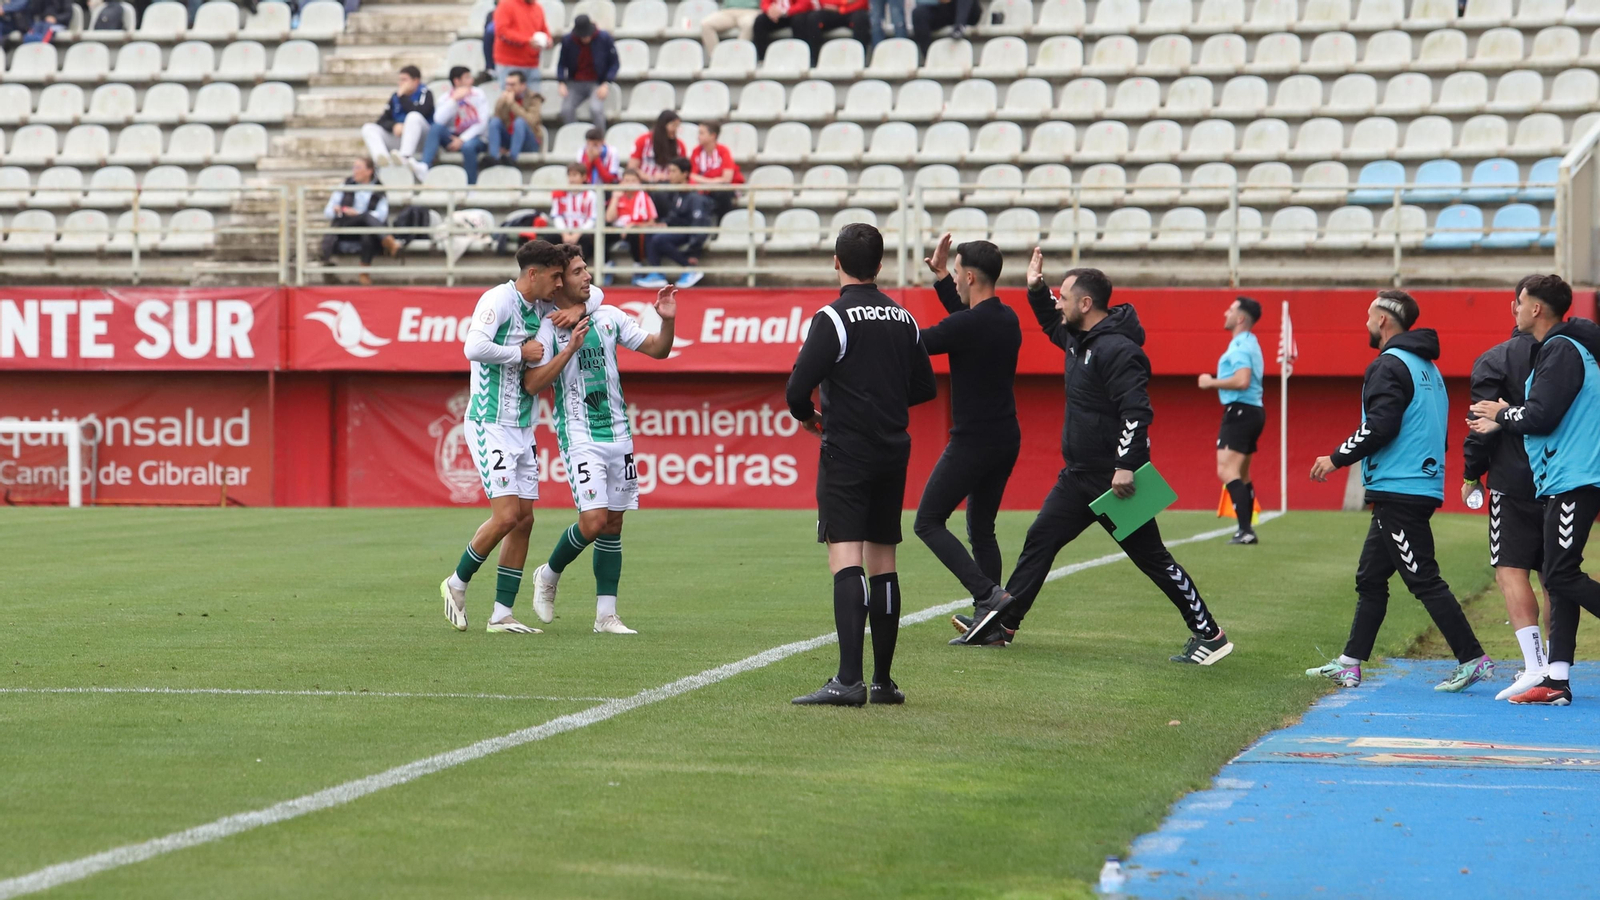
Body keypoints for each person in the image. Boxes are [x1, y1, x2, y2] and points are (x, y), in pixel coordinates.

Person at [959, 254, 1233, 667]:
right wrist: (1036, 288)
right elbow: (1051, 322)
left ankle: (1210, 634)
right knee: (1040, 541)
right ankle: (1004, 625)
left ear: (1086, 305)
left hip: (1116, 482)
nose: (1058, 303)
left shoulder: (1118, 350)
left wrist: (1126, 465)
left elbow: (1136, 411)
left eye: (1063, 297)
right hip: (1077, 478)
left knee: (1154, 560)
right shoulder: (1077, 337)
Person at [1308, 290, 1493, 692]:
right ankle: (1349, 663)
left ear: (1384, 321)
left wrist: (1336, 457)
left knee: (1423, 577)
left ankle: (1473, 658)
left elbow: (1381, 425)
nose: (1365, 323)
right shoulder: (1427, 367)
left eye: (1368, 316)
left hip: (1400, 489)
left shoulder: (1388, 364)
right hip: (1417, 485)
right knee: (1371, 578)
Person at [785, 224, 938, 707]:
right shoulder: (904, 318)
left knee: (845, 557)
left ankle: (848, 679)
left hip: (848, 450)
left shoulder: (832, 318)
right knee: (884, 561)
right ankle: (884, 682)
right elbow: (925, 388)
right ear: (880, 265)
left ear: (836, 261)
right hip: (893, 449)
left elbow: (795, 391)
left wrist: (813, 418)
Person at [523, 245, 680, 635]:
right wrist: (570, 347)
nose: (588, 276)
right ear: (560, 283)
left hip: (618, 433)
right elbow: (532, 383)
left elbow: (658, 351)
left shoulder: (607, 316)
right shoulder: (547, 329)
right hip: (579, 435)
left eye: (586, 269)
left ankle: (605, 616)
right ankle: (548, 573)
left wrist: (668, 322)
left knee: (613, 524)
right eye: (578, 271)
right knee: (592, 521)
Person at [438, 239, 586, 634]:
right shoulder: (498, 299)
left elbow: (592, 293)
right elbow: (473, 346)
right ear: (533, 274)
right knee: (506, 516)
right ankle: (456, 582)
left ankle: (502, 614)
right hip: (489, 422)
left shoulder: (539, 307)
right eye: (555, 277)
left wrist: (579, 306)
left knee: (524, 520)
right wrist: (520, 353)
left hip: (522, 425)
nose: (560, 285)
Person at [1470, 275, 1600, 706]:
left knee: (1560, 573)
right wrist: (1506, 416)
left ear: (1536, 309)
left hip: (1574, 477)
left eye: (1519, 302)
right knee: (1559, 577)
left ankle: (1548, 675)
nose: (1515, 309)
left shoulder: (1562, 349)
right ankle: (1556, 681)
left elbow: (1542, 415)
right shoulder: (1558, 348)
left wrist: (1503, 415)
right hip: (1561, 478)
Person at [911, 234, 1022, 636]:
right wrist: (941, 275)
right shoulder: (1006, 318)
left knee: (927, 522)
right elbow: (965, 318)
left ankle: (989, 597)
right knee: (982, 528)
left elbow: (917, 341)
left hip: (973, 441)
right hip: (1005, 438)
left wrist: (878, 325)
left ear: (971, 275)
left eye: (957, 273)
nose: (954, 279)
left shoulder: (967, 324)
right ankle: (992, 623)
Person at [1463, 276, 1550, 702]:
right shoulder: (1573, 354)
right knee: (1555, 574)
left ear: (1523, 307)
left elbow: (1482, 426)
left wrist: (1470, 475)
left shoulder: (1495, 359)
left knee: (1510, 570)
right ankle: (1555, 664)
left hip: (1513, 480)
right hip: (1562, 478)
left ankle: (1534, 665)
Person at [1198, 296, 1266, 545]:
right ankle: (1246, 529)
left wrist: (1211, 382)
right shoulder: (1252, 343)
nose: (1225, 312)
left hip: (1240, 411)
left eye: (1230, 309)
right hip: (1253, 411)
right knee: (1242, 473)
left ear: (1240, 318)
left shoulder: (1239, 347)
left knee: (1226, 470)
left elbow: (1242, 380)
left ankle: (1246, 530)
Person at [636, 158, 712, 289]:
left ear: (685, 174)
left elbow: (699, 225)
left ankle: (689, 268)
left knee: (658, 239)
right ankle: (657, 273)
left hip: (687, 232)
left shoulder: (694, 197)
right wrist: (664, 224)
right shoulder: (677, 194)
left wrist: (694, 251)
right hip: (676, 229)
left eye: (674, 171)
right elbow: (674, 216)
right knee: (650, 232)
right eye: (669, 171)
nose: (669, 174)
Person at [319, 157, 390, 285]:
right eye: (354, 167)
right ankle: (388, 240)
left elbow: (382, 215)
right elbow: (327, 212)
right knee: (365, 217)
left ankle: (363, 273)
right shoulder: (345, 186)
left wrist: (358, 214)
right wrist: (337, 210)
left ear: (369, 171)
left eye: (358, 168)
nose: (354, 171)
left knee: (368, 230)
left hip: (368, 230)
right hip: (346, 226)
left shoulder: (379, 189)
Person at [418, 66, 492, 183]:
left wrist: (462, 139)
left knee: (468, 147)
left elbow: (482, 122)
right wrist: (454, 100)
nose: (471, 80)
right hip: (453, 136)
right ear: (457, 81)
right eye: (467, 78)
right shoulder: (446, 98)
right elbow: (438, 120)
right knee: (436, 128)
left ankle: (471, 186)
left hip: (475, 137)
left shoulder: (478, 94)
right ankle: (424, 166)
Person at [360, 66, 434, 169]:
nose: (400, 83)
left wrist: (403, 97)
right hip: (401, 138)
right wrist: (394, 126)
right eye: (400, 80)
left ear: (416, 81)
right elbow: (382, 121)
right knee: (368, 128)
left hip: (423, 139)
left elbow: (421, 112)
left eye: (404, 80)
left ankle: (405, 157)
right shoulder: (396, 97)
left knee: (413, 117)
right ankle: (383, 161)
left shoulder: (425, 93)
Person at [557, 14, 619, 134]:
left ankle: (599, 138)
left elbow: (614, 63)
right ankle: (573, 136)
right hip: (575, 82)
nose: (585, 38)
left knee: (595, 109)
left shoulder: (604, 38)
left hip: (597, 82)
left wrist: (606, 83)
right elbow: (561, 63)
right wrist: (561, 82)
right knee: (566, 109)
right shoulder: (568, 41)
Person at [606, 166, 659, 269]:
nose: (630, 183)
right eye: (626, 180)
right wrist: (615, 198)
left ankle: (637, 264)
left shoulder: (645, 197)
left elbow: (652, 222)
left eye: (633, 180)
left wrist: (633, 225)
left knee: (634, 233)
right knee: (601, 235)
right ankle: (606, 264)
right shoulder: (618, 196)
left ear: (639, 182)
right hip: (618, 229)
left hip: (635, 230)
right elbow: (609, 218)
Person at [487, 70, 544, 164]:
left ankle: (512, 158)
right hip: (509, 138)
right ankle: (494, 157)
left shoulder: (534, 98)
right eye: (507, 84)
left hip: (528, 141)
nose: (509, 88)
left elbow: (531, 121)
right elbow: (497, 117)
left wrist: (512, 104)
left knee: (520, 122)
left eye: (512, 85)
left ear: (523, 85)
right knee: (494, 122)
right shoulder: (505, 97)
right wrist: (501, 102)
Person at [689, 120, 742, 219]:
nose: (698, 137)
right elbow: (691, 175)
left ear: (712, 135)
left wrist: (705, 181)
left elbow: (727, 178)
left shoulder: (723, 151)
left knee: (723, 193)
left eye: (701, 133)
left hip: (719, 189)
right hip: (704, 189)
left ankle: (723, 226)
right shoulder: (696, 152)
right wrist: (712, 182)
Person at [547, 163, 598, 264]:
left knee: (586, 240)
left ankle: (580, 269)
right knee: (549, 238)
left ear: (584, 177)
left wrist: (577, 234)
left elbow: (592, 219)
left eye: (574, 175)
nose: (571, 179)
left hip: (582, 232)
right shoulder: (560, 193)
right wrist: (565, 233)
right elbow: (557, 216)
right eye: (569, 175)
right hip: (565, 231)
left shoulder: (591, 195)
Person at [491, 0, 550, 88]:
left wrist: (548, 39)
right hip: (509, 64)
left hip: (532, 64)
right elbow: (502, 31)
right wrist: (527, 41)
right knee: (510, 100)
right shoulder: (506, 4)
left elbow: (543, 28)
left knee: (534, 100)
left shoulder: (538, 8)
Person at [794, 0, 869, 65]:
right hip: (832, 11)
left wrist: (842, 9)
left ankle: (859, 59)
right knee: (813, 18)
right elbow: (824, 2)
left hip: (853, 11)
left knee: (861, 18)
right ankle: (814, 60)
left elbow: (863, 2)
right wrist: (844, 2)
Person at [632, 110, 688, 186]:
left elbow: (683, 171)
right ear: (663, 125)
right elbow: (632, 167)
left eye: (677, 126)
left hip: (670, 185)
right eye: (673, 125)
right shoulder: (643, 141)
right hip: (645, 183)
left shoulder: (680, 146)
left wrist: (667, 177)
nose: (675, 129)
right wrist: (649, 177)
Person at [911, 0, 978, 57]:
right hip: (943, 8)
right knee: (918, 13)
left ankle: (959, 26)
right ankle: (930, 57)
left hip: (967, 10)